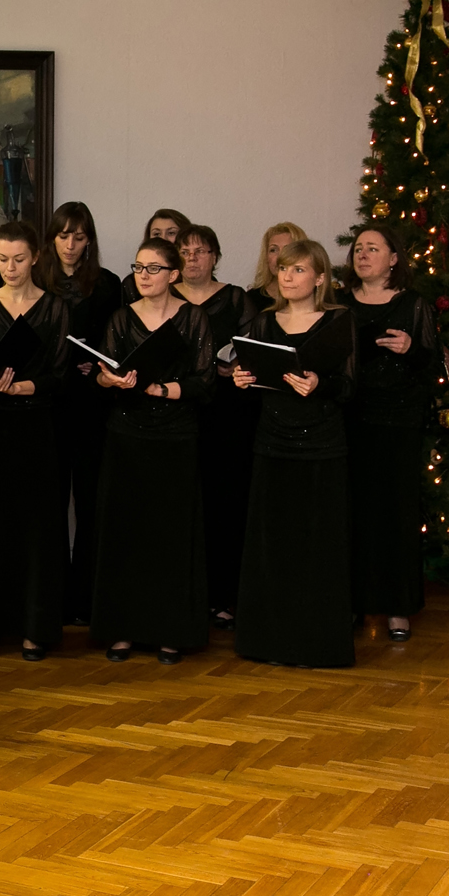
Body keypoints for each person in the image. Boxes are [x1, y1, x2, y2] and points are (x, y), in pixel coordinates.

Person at [233, 239, 357, 668]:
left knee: (317, 544)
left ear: (320, 278)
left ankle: (315, 645)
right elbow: (255, 380)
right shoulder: (264, 322)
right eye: (284, 269)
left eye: (298, 270)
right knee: (273, 544)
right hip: (273, 440)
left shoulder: (339, 321)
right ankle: (269, 642)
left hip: (321, 442)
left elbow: (349, 387)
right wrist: (243, 380)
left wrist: (320, 384)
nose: (287, 277)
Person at [90, 238, 214, 663]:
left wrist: (163, 389)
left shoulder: (193, 318)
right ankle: (123, 629)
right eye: (138, 267)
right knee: (126, 533)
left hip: (175, 436)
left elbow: (205, 381)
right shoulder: (121, 317)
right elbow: (101, 376)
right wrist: (109, 380)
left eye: (153, 268)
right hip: (127, 434)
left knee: (170, 535)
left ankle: (170, 631)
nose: (143, 276)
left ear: (173, 274)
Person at [0, 222, 70, 659]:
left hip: (34, 427)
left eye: (19, 259)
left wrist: (24, 387)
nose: (10, 267)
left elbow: (61, 375)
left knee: (35, 527)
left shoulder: (55, 308)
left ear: (36, 258)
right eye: (3, 259)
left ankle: (34, 628)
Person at [339, 225, 438, 641]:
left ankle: (398, 607)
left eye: (373, 248)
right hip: (350, 417)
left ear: (394, 258)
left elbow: (433, 365)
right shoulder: (340, 303)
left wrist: (410, 349)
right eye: (358, 248)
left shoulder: (413, 304)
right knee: (352, 511)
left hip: (399, 419)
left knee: (396, 512)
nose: (363, 255)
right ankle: (353, 603)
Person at [175, 224, 260, 624]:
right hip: (180, 410)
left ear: (215, 256)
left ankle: (224, 596)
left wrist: (235, 365)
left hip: (227, 413)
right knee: (184, 501)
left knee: (225, 501)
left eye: (200, 251)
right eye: (184, 251)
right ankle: (185, 595)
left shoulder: (236, 298)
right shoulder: (164, 296)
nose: (192, 258)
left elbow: (253, 348)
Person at [42, 203, 121, 624]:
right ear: (52, 239)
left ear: (89, 240)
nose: (70, 245)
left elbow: (118, 337)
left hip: (92, 403)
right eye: (63, 236)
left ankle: (87, 597)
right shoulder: (38, 278)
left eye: (79, 236)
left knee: (91, 501)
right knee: (51, 501)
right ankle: (53, 596)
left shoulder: (107, 283)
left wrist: (101, 361)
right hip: (50, 402)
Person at [247, 222, 309, 315]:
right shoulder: (251, 300)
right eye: (273, 250)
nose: (280, 256)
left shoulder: (316, 298)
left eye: (287, 249)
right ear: (266, 257)